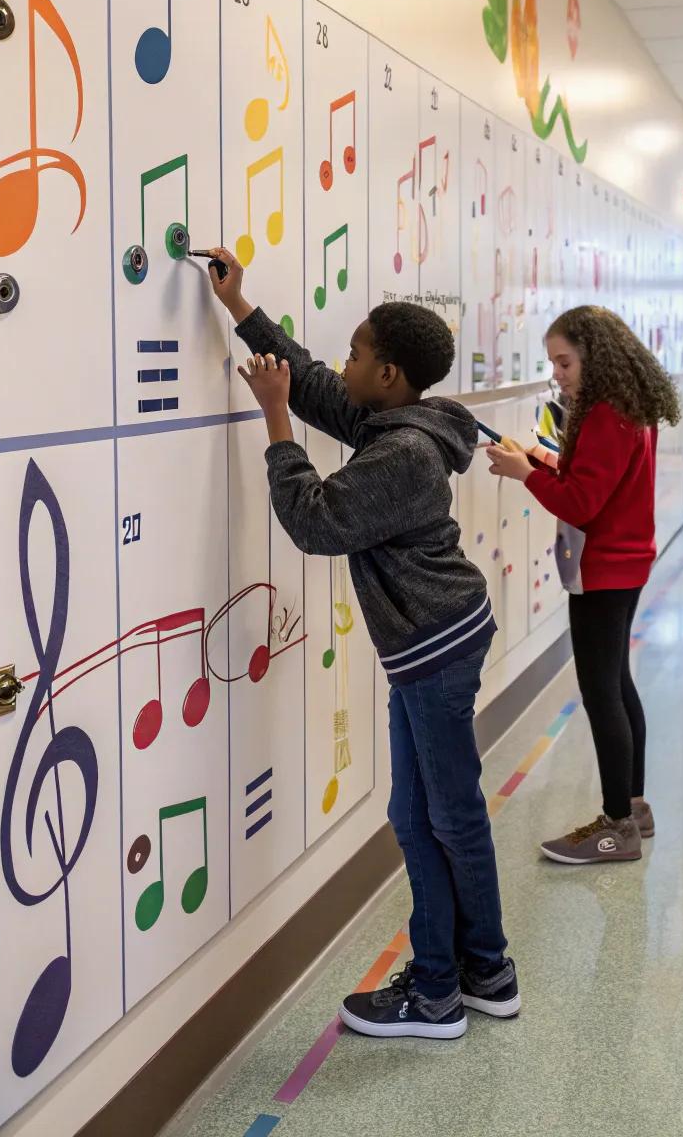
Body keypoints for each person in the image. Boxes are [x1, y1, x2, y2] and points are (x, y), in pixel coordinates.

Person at [208, 247, 518, 1041]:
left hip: (434, 650)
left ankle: (449, 988)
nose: (342, 362)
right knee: (423, 814)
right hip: (433, 644)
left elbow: (315, 520)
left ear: (388, 377)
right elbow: (314, 382)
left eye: (356, 352)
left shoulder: (403, 453)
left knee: (443, 816)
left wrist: (273, 418)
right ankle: (478, 972)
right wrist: (242, 310)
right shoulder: (396, 422)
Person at [485, 306, 681, 866]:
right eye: (554, 364)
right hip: (627, 562)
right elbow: (592, 481)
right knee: (617, 683)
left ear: (595, 354)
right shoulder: (629, 409)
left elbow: (579, 503)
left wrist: (525, 474)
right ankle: (634, 807)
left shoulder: (602, 415)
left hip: (603, 570)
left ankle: (616, 826)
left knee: (601, 693)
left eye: (564, 362)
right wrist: (539, 458)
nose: (559, 374)